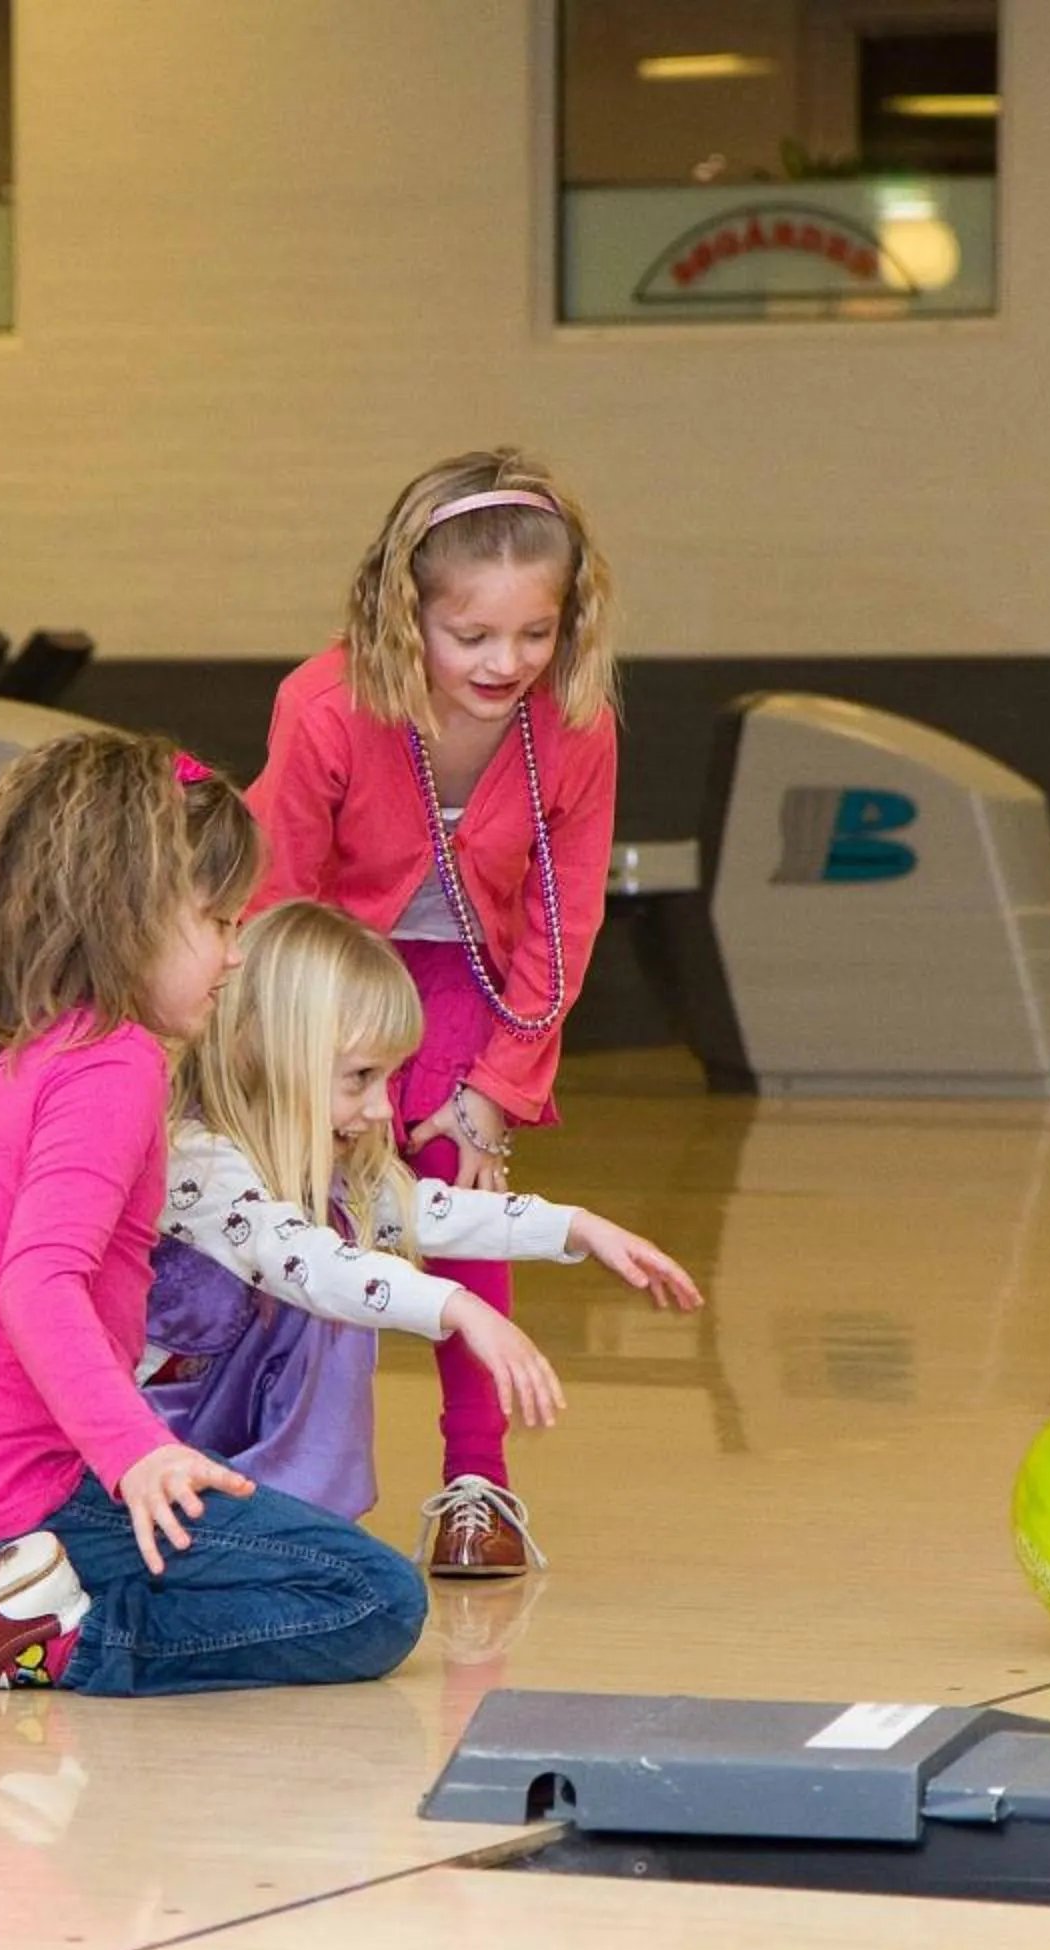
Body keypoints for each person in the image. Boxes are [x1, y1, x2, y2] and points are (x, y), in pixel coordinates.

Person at [0, 733, 427, 1696]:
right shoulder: (117, 1063)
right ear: (127, 916)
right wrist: (135, 1453)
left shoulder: (8, 1053)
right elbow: (38, 1282)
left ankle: (4, 1602)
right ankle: (51, 1642)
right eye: (220, 922)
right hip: (27, 1507)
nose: (236, 954)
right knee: (373, 1597)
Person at [249, 445, 620, 1577]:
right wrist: (294, 1068)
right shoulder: (323, 705)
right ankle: (278, 1482)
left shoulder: (578, 724)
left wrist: (498, 1089)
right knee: (303, 1219)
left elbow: (567, 923)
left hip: (471, 980)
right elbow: (277, 896)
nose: (507, 662)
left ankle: (479, 1482)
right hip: (325, 984)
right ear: (404, 612)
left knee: (460, 1202)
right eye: (473, 637)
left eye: (536, 633)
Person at [140, 902, 699, 1550]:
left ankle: (290, 1527)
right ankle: (283, 1533)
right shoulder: (198, 1161)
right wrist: (458, 1306)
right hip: (146, 1458)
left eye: (390, 1078)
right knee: (336, 1291)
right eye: (359, 1079)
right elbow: (308, 1263)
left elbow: (427, 1210)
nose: (383, 1110)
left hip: (210, 1461)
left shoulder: (319, 1166)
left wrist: (576, 1228)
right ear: (263, 1054)